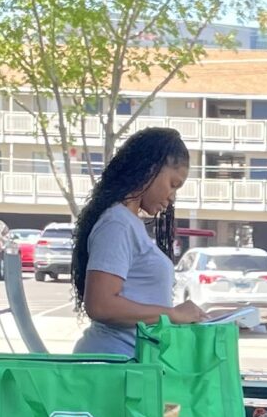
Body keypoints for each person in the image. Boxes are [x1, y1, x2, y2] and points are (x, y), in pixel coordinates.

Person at [71, 126, 206, 356]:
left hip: (128, 366)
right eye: (173, 184)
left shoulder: (127, 222)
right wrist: (172, 314)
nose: (172, 197)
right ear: (150, 169)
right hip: (112, 366)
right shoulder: (117, 223)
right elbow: (100, 305)